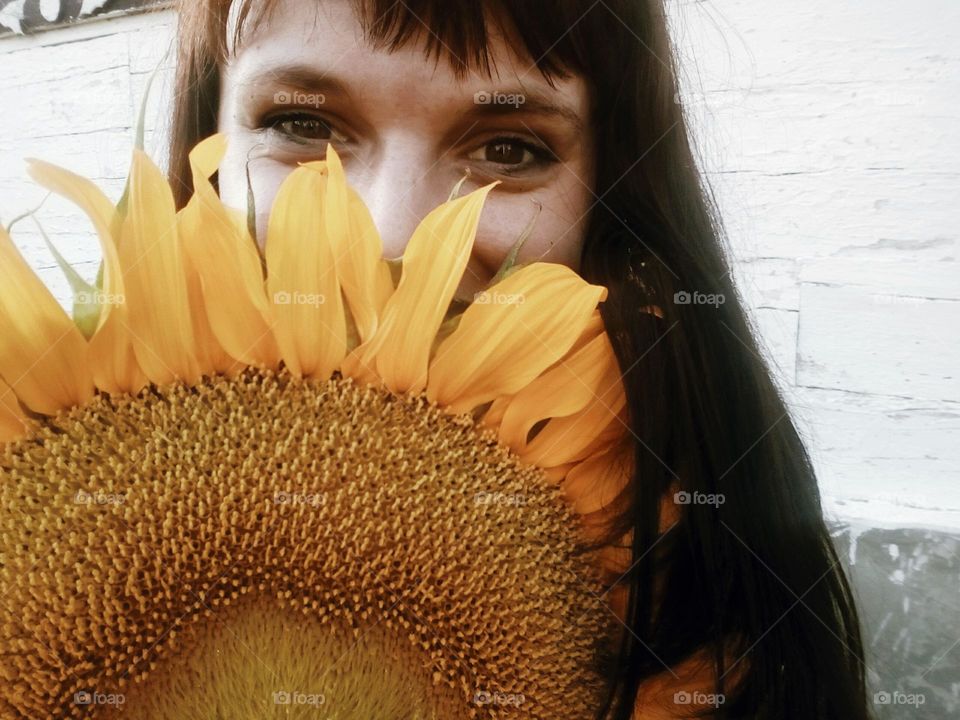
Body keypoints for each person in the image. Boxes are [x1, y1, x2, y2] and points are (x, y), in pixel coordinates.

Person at [167, 1, 871, 717]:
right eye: (304, 126)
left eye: (508, 149)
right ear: (209, 145)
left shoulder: (695, 584)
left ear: (614, 194)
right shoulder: (60, 472)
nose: (393, 238)